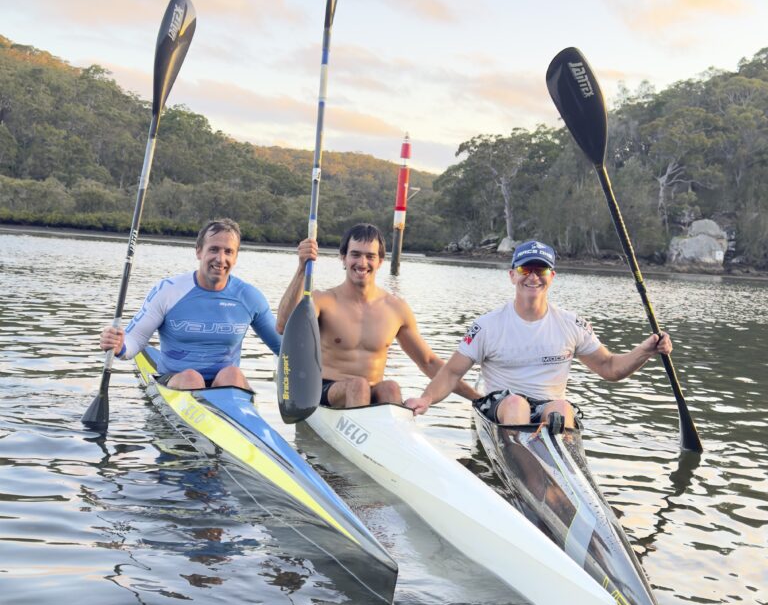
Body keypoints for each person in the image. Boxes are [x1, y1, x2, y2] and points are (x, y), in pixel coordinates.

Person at [405, 238, 673, 426]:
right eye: (525, 269)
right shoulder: (486, 326)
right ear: (512, 275)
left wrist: (646, 350)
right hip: (502, 407)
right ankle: (522, 472)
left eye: (540, 269)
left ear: (552, 276)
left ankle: (558, 478)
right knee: (516, 405)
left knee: (562, 409)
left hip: (549, 409)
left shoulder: (572, 324)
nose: (533, 277)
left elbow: (610, 368)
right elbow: (452, 373)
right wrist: (426, 399)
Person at [276, 223, 479, 408]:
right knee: (358, 385)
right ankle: (359, 444)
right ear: (343, 258)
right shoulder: (323, 300)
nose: (362, 263)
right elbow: (284, 326)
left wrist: (478, 399)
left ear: (380, 261)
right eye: (355, 254)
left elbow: (429, 362)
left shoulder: (396, 308)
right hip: (326, 392)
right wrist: (302, 268)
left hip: (370, 394)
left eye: (370, 256)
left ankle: (387, 442)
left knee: (390, 387)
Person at [99, 218, 281, 389]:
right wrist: (119, 345)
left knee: (232, 374)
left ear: (235, 257)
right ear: (199, 251)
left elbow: (283, 348)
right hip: (176, 379)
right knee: (192, 378)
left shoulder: (248, 296)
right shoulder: (169, 291)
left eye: (228, 252)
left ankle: (234, 417)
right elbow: (135, 340)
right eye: (214, 249)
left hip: (226, 387)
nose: (220, 258)